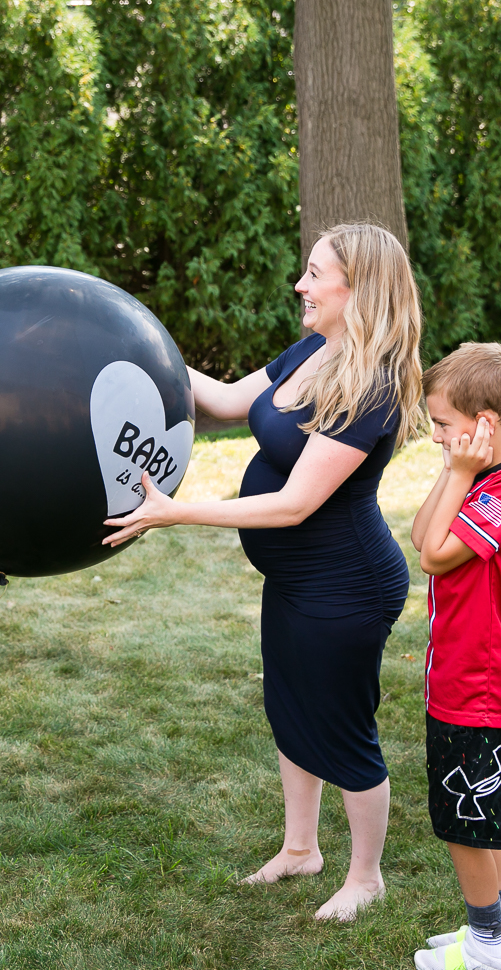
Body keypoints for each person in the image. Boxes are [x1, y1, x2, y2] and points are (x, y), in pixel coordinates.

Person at [103, 222, 424, 922]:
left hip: (346, 585)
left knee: (343, 728)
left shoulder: (370, 386)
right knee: (289, 709)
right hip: (298, 581)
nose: (300, 285)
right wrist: (122, 343)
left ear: (358, 288)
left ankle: (366, 876)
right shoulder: (313, 348)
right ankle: (301, 849)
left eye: (315, 274)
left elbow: (293, 504)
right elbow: (221, 400)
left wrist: (174, 513)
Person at [407, 343, 501, 970]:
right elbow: (418, 532)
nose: (437, 435)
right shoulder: (491, 478)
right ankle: (496, 929)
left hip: (478, 685)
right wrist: (452, 465)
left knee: (465, 818)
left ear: (483, 424)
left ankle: (490, 942)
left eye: (442, 425)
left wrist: (459, 474)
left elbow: (433, 556)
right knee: (478, 818)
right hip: (463, 677)